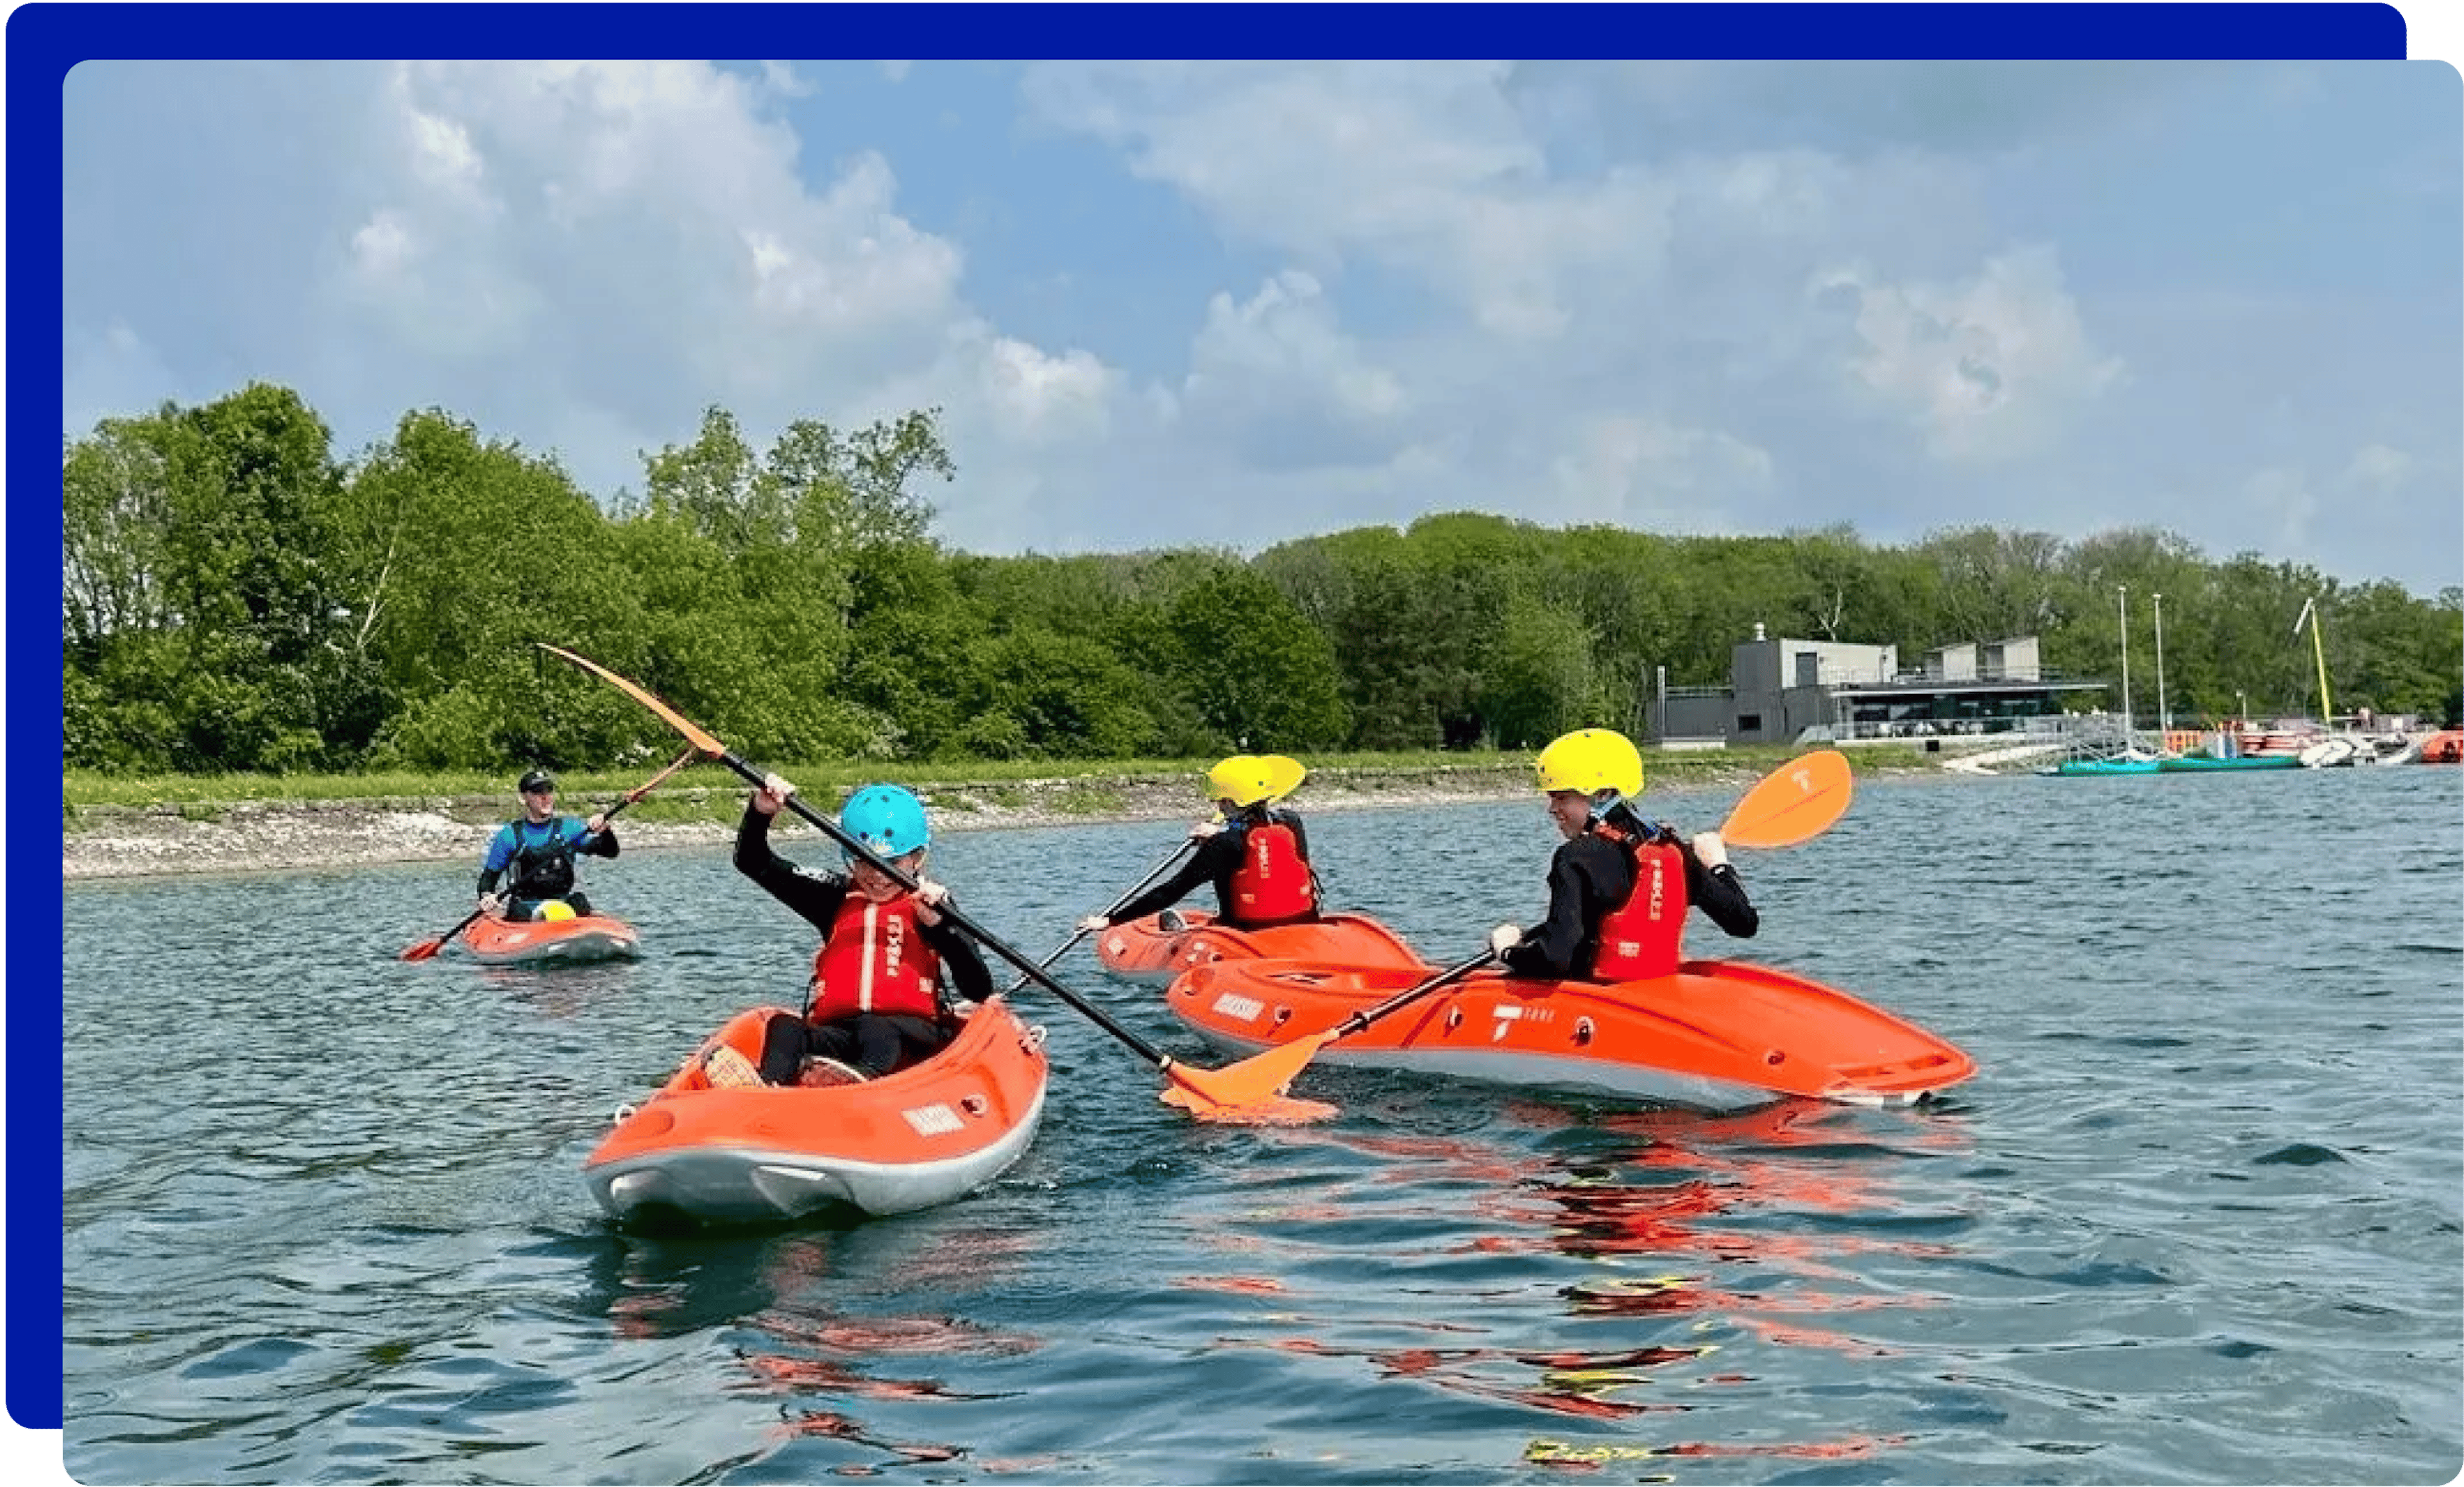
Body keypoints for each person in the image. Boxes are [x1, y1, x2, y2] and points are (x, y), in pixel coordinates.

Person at [735, 774, 993, 1086]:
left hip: (909, 1034)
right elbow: (752, 861)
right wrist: (761, 811)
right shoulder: (834, 896)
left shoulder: (934, 904)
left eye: (891, 863)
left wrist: (937, 925)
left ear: (917, 857)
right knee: (784, 1028)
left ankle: (859, 1086)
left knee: (877, 1029)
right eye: (864, 862)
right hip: (842, 1033)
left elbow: (978, 988)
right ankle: (765, 1091)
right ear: (848, 857)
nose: (876, 876)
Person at [1487, 728, 1758, 983]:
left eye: (1561, 798)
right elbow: (1743, 923)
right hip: (1657, 993)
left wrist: (1508, 951)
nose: (1552, 809)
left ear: (1602, 794)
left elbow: (1556, 959)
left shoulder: (1574, 857)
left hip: (1598, 1002)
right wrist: (1718, 864)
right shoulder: (1672, 849)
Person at [1079, 754, 1322, 937]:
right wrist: (1223, 831)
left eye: (1221, 801)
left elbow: (1173, 890)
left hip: (1247, 930)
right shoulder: (1292, 823)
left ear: (1228, 801)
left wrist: (1112, 921)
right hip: (1303, 922)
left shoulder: (1224, 843)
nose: (1218, 807)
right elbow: (1260, 835)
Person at [475, 768, 619, 922]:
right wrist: (487, 896)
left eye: (549, 791)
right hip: (525, 907)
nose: (545, 797)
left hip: (562, 905)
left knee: (580, 902)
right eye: (538, 792)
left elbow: (610, 852)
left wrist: (606, 831)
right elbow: (489, 879)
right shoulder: (510, 835)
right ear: (524, 799)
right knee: (519, 912)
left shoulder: (569, 829)